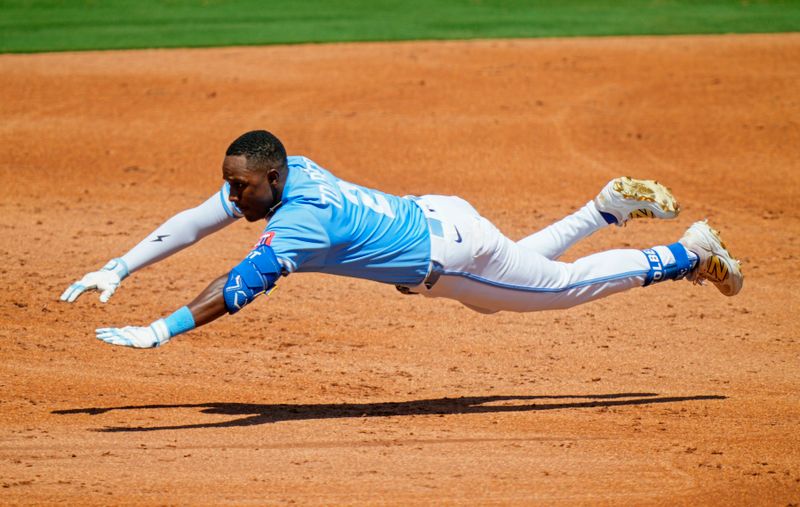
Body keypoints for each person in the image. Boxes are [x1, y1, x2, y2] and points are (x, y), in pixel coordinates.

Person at [60, 130, 743, 348]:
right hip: (445, 220)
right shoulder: (291, 173)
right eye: (230, 186)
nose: (232, 197)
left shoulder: (298, 222)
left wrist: (158, 329)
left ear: (269, 177)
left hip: (453, 256)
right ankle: (606, 209)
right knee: (520, 275)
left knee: (561, 288)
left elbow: (235, 288)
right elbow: (193, 219)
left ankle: (688, 252)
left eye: (240, 188)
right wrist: (119, 265)